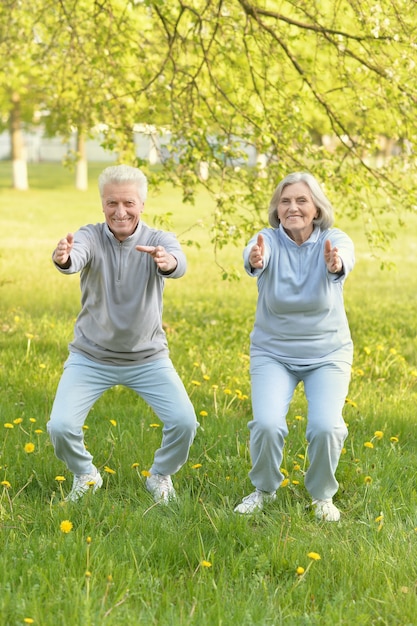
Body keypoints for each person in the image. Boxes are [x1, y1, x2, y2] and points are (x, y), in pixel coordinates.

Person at [47, 164, 198, 503]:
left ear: (142, 204)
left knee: (185, 422)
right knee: (60, 427)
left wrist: (167, 262)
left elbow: (179, 262)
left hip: (147, 357)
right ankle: (86, 475)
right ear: (102, 204)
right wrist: (64, 257)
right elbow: (75, 256)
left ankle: (160, 475)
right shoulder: (89, 235)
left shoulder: (158, 240)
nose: (120, 211)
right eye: (112, 203)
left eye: (128, 203)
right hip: (91, 356)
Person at [234, 172, 355, 521]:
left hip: (327, 354)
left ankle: (321, 497)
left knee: (326, 427)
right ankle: (265, 489)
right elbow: (255, 255)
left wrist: (336, 263)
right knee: (268, 425)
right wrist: (255, 259)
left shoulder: (335, 239)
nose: (293, 207)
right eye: (285, 201)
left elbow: (343, 259)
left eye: (301, 200)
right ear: (276, 208)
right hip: (273, 353)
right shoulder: (266, 240)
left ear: (316, 208)